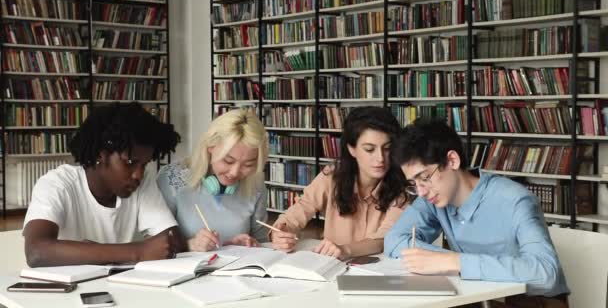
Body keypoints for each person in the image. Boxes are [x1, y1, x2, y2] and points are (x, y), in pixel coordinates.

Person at [385, 118, 569, 307]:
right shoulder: (433, 199)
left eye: (424, 177)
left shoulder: (515, 199)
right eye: (413, 184)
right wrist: (437, 260)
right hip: (477, 299)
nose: (421, 191)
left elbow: (546, 274)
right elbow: (394, 239)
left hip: (533, 303)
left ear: (452, 161)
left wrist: (454, 262)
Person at [23, 102, 183, 267]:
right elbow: (36, 252)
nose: (138, 174)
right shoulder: (57, 184)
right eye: (129, 162)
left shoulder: (142, 183)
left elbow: (171, 243)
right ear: (101, 155)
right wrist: (138, 251)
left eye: (144, 164)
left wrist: (96, 251)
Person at [270, 107, 407, 260]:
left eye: (387, 148)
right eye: (369, 149)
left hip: (378, 272)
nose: (380, 158)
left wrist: (344, 250)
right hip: (330, 266)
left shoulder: (403, 188)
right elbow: (300, 210)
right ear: (351, 149)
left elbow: (383, 240)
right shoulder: (331, 177)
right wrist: (281, 232)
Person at [157, 108, 269, 251]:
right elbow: (155, 245)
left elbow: (261, 241)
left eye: (248, 164)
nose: (234, 173)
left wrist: (247, 244)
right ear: (210, 147)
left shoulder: (256, 182)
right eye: (228, 161)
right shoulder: (171, 178)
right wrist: (190, 245)